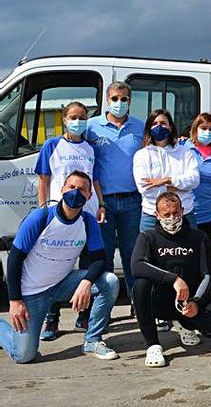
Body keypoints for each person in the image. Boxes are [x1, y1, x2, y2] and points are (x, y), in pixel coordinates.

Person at [0, 171, 119, 363]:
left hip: (62, 284)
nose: (75, 192)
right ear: (62, 189)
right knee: (23, 355)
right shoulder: (40, 217)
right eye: (71, 187)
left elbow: (99, 259)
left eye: (82, 189)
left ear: (89, 196)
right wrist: (15, 300)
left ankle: (92, 340)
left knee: (109, 282)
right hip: (33, 293)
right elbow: (14, 259)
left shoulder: (88, 221)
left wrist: (86, 282)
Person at [131, 192, 211, 367]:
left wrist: (197, 303)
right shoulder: (148, 237)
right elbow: (137, 266)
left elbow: (209, 274)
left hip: (189, 302)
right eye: (166, 214)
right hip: (161, 301)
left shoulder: (198, 237)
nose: (172, 218)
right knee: (140, 285)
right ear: (157, 215)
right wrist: (174, 279)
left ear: (183, 211)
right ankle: (153, 344)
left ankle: (184, 324)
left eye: (176, 213)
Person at [36, 101, 105, 341]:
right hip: (59, 214)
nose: (78, 121)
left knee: (88, 265)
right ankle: (52, 319)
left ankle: (83, 316)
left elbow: (95, 181)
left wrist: (101, 205)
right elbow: (44, 179)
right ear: (64, 119)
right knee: (57, 266)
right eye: (73, 117)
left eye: (83, 117)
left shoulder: (90, 148)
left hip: (87, 215)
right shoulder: (52, 145)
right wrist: (43, 210)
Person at [86, 81, 144, 302]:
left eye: (124, 99)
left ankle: (135, 301)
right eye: (115, 98)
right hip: (103, 203)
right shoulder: (91, 126)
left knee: (133, 255)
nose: (119, 103)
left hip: (132, 201)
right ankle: (104, 304)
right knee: (104, 254)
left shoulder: (139, 127)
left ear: (130, 101)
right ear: (107, 101)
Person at [133, 109, 200, 232]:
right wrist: (174, 188)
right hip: (152, 216)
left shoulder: (185, 152)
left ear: (170, 127)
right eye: (155, 123)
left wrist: (167, 180)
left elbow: (194, 180)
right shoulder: (142, 155)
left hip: (184, 214)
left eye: (163, 123)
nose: (159, 126)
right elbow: (144, 188)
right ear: (149, 128)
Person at [186, 113, 211, 252]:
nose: (207, 132)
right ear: (195, 129)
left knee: (208, 257)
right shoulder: (184, 148)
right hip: (188, 213)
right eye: (203, 128)